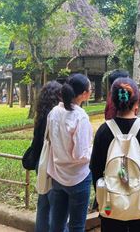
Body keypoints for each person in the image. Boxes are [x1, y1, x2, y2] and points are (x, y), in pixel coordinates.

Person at [90, 77, 140, 232]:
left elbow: (96, 170)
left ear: (112, 102)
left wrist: (100, 197)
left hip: (111, 204)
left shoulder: (103, 131)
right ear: (137, 102)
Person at [47, 74, 93, 232]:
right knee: (76, 226)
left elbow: (51, 141)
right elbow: (80, 155)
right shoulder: (80, 117)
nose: (91, 92)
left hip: (58, 175)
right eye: (90, 89)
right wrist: (95, 150)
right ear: (84, 94)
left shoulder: (54, 112)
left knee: (57, 224)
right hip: (78, 177)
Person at [22, 81, 62, 232]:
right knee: (57, 208)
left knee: (43, 204)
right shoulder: (57, 117)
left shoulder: (41, 117)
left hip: (42, 163)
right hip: (54, 164)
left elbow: (36, 143)